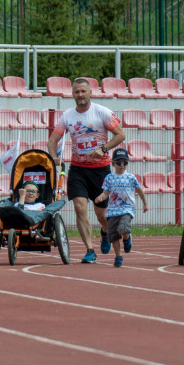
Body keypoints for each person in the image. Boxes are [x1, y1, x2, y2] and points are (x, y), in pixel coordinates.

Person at [47, 77, 126, 263]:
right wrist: (54, 157)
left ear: (90, 92)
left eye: (83, 91)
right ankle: (90, 249)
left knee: (102, 215)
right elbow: (52, 140)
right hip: (78, 170)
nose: (80, 95)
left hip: (100, 171)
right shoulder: (67, 116)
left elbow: (121, 134)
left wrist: (104, 149)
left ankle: (105, 232)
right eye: (77, 92)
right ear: (72, 94)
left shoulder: (102, 112)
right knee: (79, 207)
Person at [93, 147, 148, 268]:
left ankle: (127, 238)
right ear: (113, 163)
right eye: (119, 162)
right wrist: (100, 197)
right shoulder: (109, 178)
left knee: (123, 228)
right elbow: (106, 192)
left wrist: (145, 203)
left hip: (127, 208)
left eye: (125, 162)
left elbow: (139, 190)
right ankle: (118, 256)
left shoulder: (131, 177)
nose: (122, 165)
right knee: (113, 235)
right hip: (112, 210)